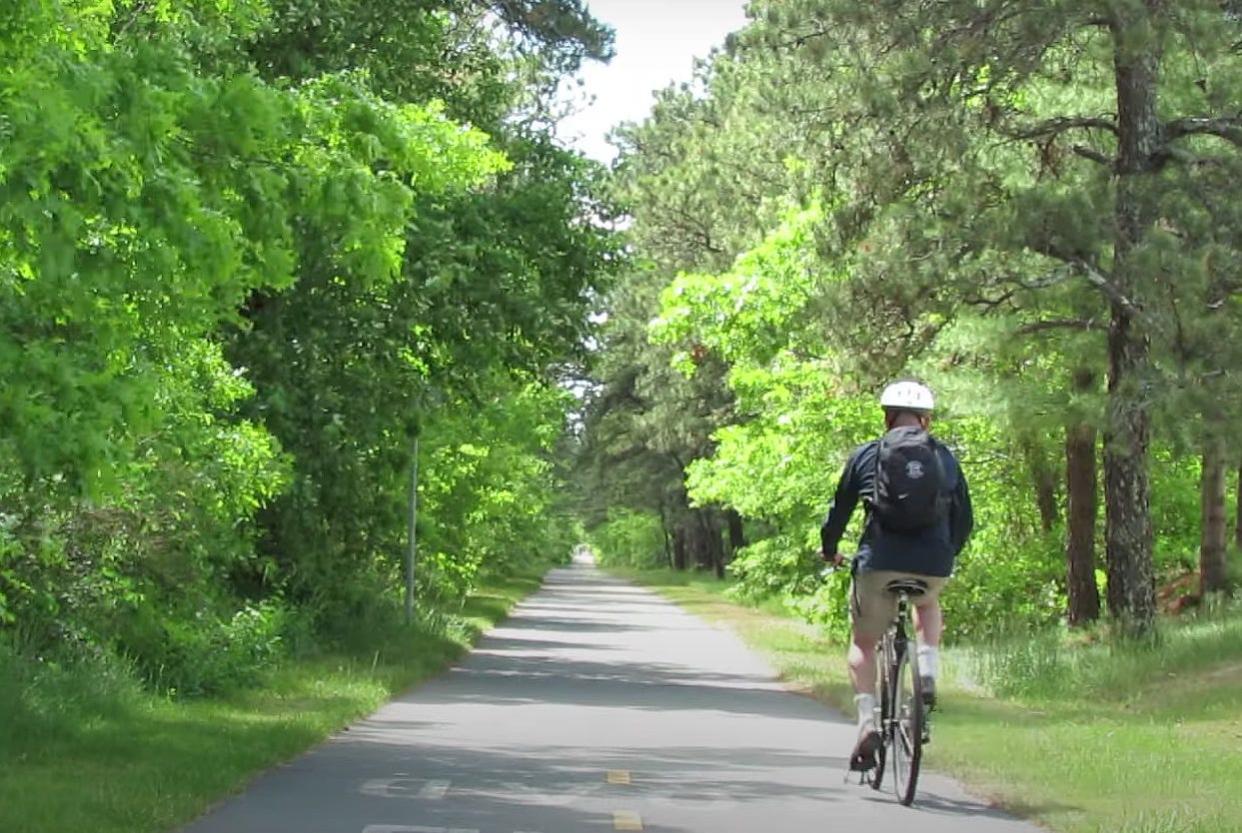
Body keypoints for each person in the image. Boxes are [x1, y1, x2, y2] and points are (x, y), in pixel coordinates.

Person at [820, 380, 973, 771]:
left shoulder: (868, 455)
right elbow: (964, 518)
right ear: (926, 420)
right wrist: (945, 555)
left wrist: (830, 548)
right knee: (928, 600)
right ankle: (927, 671)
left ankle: (867, 722)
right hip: (933, 561)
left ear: (887, 417)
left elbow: (840, 510)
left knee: (864, 642)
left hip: (879, 560)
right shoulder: (945, 458)